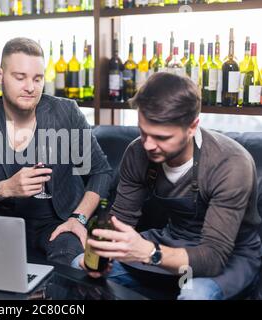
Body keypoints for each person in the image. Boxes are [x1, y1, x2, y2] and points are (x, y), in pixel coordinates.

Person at [74, 72, 261, 300]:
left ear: (192, 127)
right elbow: (120, 220)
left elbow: (212, 258)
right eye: (144, 133)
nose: (149, 145)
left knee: (196, 294)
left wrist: (150, 253)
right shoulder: (137, 152)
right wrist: (101, 255)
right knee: (78, 265)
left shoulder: (230, 164)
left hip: (229, 254)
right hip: (172, 239)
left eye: (162, 137)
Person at [0, 37, 112, 266]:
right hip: (3, 220)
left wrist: (78, 218)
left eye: (38, 79)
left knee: (70, 253)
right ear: (0, 75)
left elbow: (101, 172)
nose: (30, 87)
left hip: (56, 222)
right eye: (20, 77)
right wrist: (8, 187)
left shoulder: (66, 112)